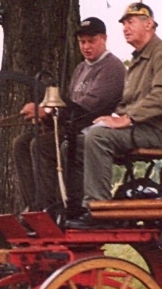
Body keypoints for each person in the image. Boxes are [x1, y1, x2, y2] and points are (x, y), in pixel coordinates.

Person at [68, 2, 162, 227]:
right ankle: (76, 208)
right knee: (74, 144)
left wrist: (125, 119)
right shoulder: (137, 59)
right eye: (123, 24)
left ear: (149, 24)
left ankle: (100, 210)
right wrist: (111, 118)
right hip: (138, 127)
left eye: (130, 22)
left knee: (98, 137)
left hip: (159, 130)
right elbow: (127, 101)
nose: (125, 28)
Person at [13, 16, 126, 212]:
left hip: (90, 129)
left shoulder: (112, 67)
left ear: (104, 39)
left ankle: (50, 208)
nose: (86, 47)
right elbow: (68, 105)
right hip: (71, 126)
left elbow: (86, 111)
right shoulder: (81, 68)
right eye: (82, 42)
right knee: (21, 143)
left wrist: (45, 114)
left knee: (42, 145)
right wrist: (45, 114)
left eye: (91, 41)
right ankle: (33, 206)